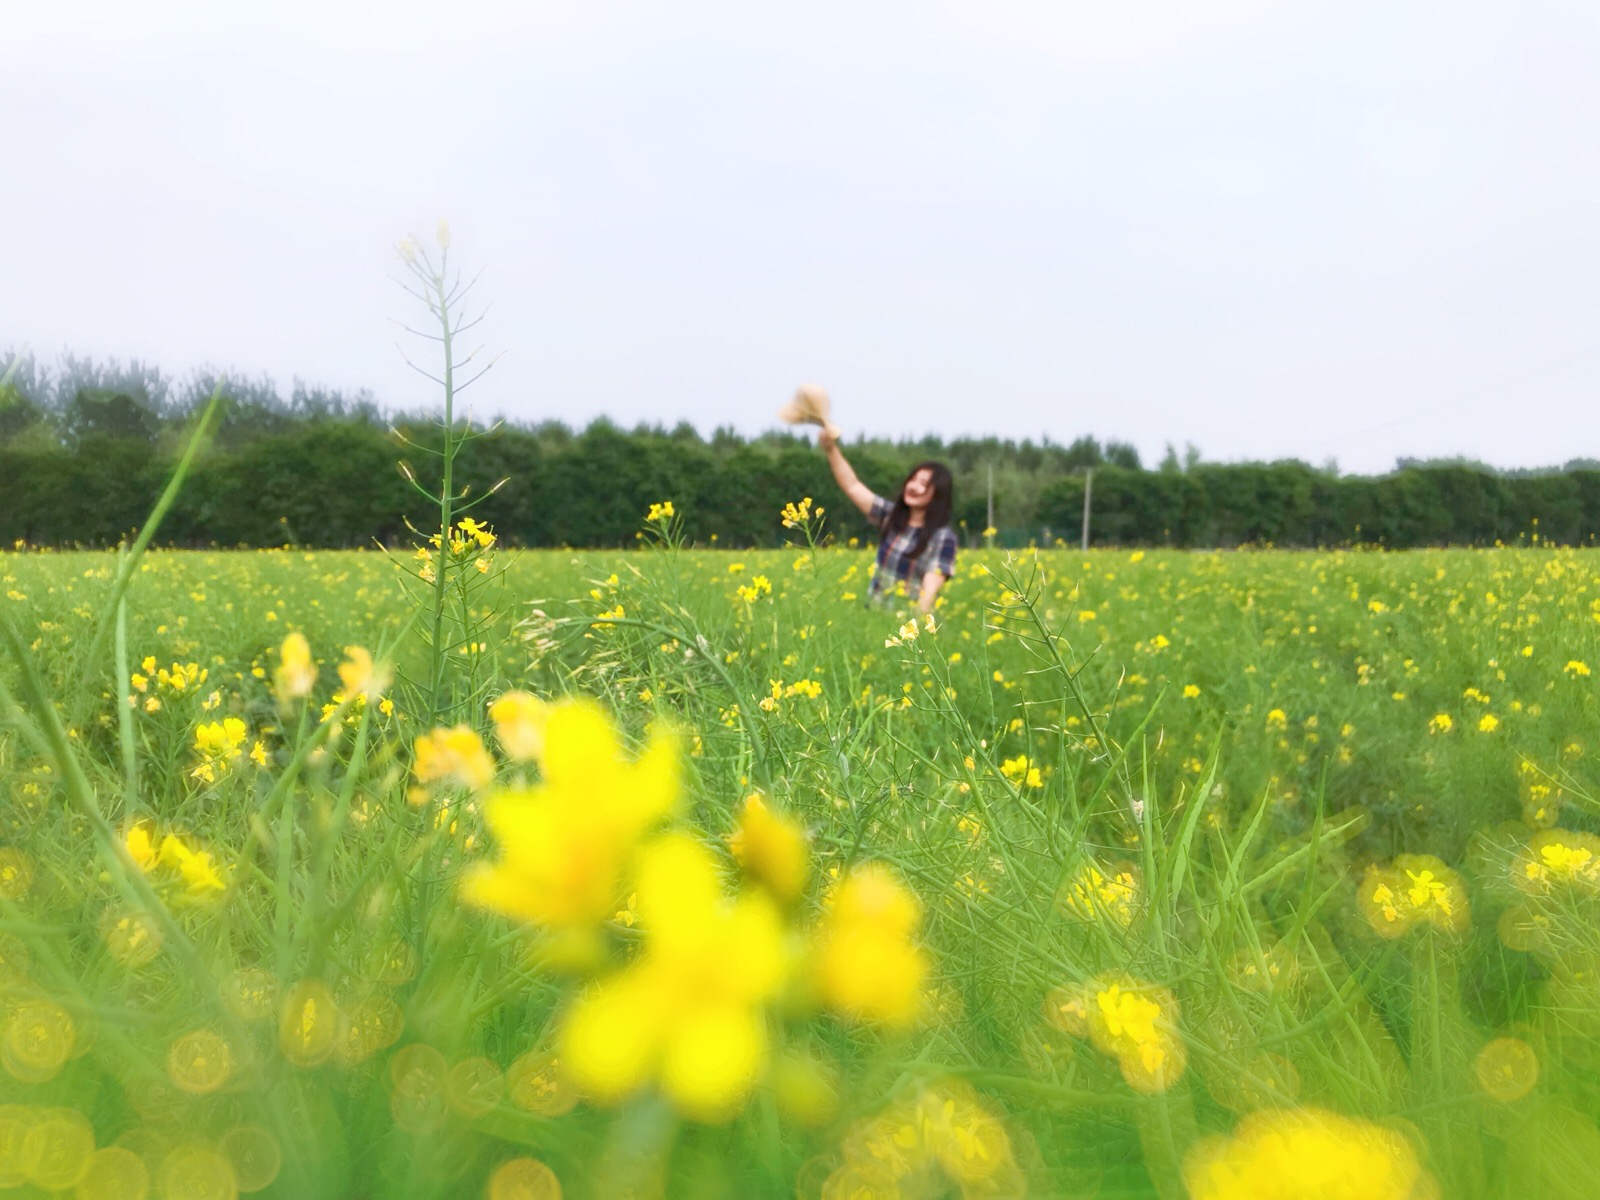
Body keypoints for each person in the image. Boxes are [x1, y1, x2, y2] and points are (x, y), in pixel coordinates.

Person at [818, 429, 956, 614]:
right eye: (912, 480)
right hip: (873, 619)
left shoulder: (943, 537)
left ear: (938, 493)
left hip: (906, 626)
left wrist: (914, 634)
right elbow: (852, 486)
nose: (914, 486)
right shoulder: (892, 516)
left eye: (923, 484)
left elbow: (928, 592)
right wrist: (830, 449)